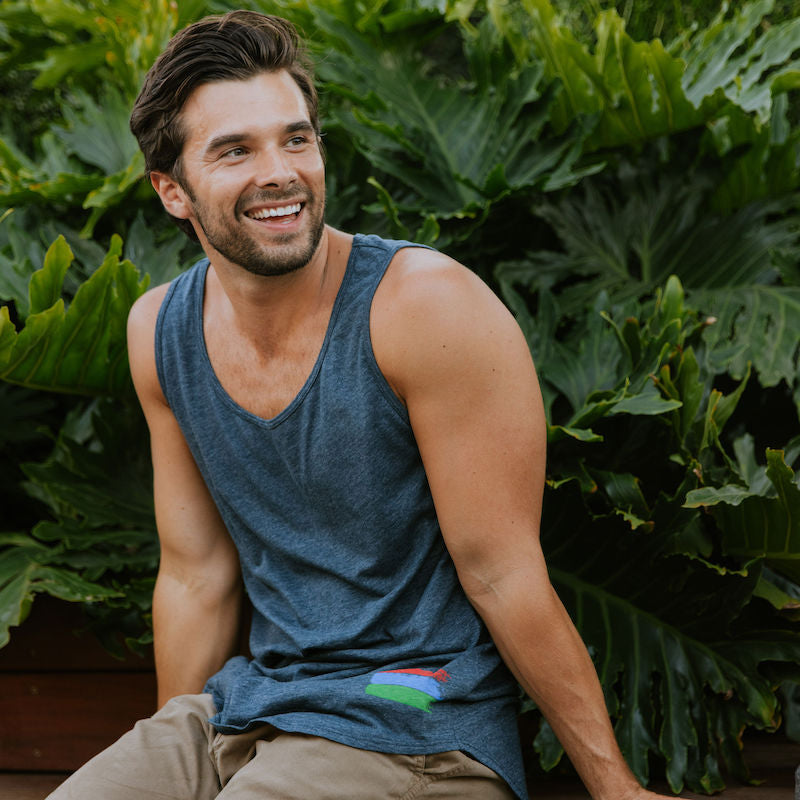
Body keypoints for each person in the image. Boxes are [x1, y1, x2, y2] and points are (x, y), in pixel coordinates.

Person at [49, 10, 678, 800]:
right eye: (235, 150)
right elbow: (195, 577)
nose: (280, 171)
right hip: (250, 710)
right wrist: (189, 764)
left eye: (297, 138)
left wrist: (614, 787)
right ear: (173, 191)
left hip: (415, 720)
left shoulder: (424, 308)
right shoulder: (160, 331)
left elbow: (502, 572)